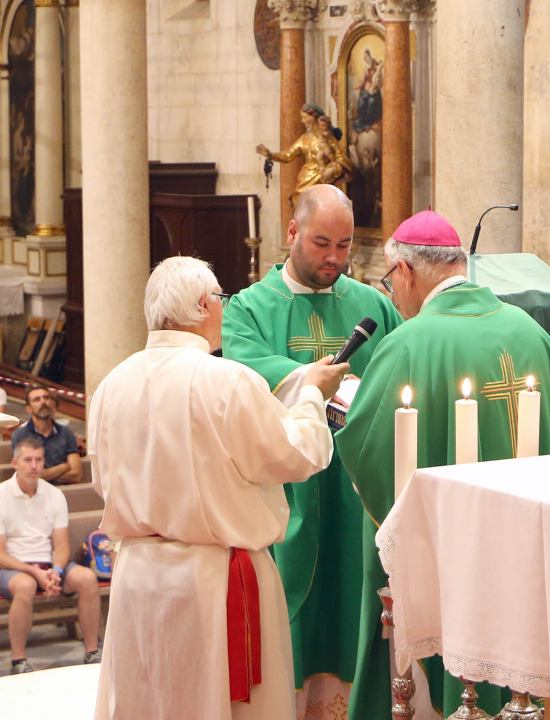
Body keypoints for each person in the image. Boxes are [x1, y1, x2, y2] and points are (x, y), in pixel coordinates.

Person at [336, 210, 550, 719]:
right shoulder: (531, 334)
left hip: (447, 554)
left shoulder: (408, 343)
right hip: (527, 546)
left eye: (389, 281)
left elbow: (367, 448)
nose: (392, 295)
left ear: (404, 273)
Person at [89, 256, 349, 719]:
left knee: (146, 703)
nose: (224, 309)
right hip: (213, 581)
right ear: (203, 306)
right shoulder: (226, 380)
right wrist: (311, 393)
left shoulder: (112, 384)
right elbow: (297, 454)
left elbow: (102, 480)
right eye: (221, 300)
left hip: (137, 579)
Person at [222, 184, 402, 712]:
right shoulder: (248, 308)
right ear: (293, 232)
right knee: (292, 618)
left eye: (345, 246)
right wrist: (310, 381)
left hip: (357, 494)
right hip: (290, 492)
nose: (333, 259)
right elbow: (242, 368)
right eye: (322, 243)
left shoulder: (371, 304)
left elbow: (398, 369)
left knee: (356, 606)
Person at [0, 437, 102, 674]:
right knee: (26, 585)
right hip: (9, 568)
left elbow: (61, 546)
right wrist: (35, 572)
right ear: (15, 463)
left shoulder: (54, 494)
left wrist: (56, 571)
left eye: (39, 460)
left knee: (87, 579)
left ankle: (92, 652)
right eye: (28, 460)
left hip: (48, 564)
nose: (34, 466)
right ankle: (19, 660)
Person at [10, 385, 82, 485]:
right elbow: (26, 473)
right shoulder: (20, 435)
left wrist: (45, 474)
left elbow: (76, 475)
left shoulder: (66, 432)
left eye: (46, 398)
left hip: (64, 493)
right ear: (29, 409)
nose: (43, 402)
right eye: (37, 399)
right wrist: (64, 467)